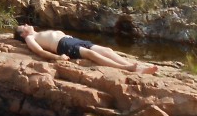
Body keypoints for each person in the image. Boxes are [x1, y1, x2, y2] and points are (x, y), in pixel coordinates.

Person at [13, 25, 158, 74]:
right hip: (64, 46)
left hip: (72, 40)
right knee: (90, 54)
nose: (26, 24)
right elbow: (39, 51)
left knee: (107, 50)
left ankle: (137, 67)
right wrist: (58, 57)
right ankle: (127, 68)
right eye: (23, 26)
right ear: (23, 33)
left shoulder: (37, 33)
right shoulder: (29, 38)